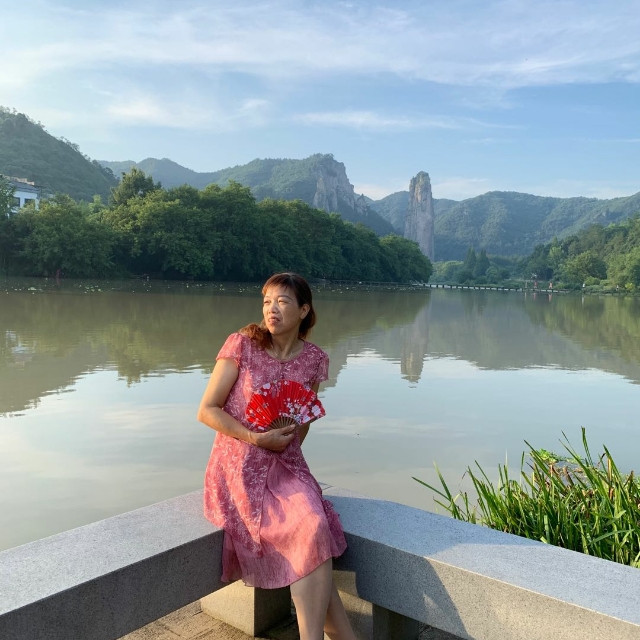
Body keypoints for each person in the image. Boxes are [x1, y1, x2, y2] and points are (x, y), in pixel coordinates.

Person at [197, 272, 356, 640]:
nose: (272, 309)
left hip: (287, 465)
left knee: (312, 528)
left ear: (304, 310)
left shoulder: (314, 360)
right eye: (267, 301)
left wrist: (284, 444)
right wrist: (256, 437)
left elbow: (301, 421)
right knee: (311, 531)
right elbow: (207, 410)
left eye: (283, 302)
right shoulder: (242, 346)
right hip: (238, 465)